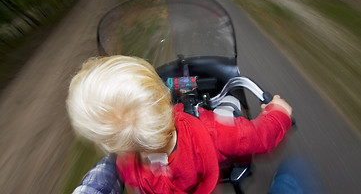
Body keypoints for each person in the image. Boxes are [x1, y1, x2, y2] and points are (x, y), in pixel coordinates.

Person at [67, 55, 293, 194]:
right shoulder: (211, 130)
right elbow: (259, 136)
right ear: (163, 96)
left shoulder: (127, 165)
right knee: (230, 107)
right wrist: (279, 113)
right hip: (204, 185)